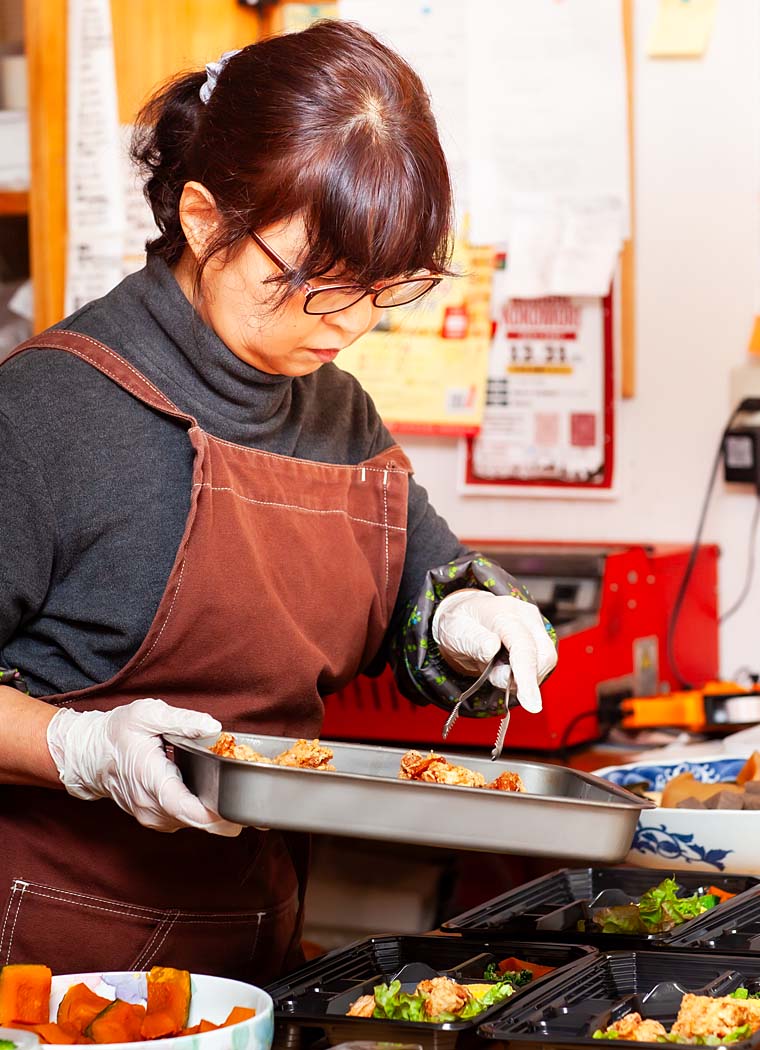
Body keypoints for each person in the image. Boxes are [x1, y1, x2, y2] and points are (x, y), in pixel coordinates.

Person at [0, 21, 557, 981]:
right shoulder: (46, 410)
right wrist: (78, 746)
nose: (351, 324)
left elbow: (419, 595)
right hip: (50, 971)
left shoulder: (338, 411)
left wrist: (471, 615)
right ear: (207, 217)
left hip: (255, 952)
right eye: (314, 283)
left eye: (385, 289)